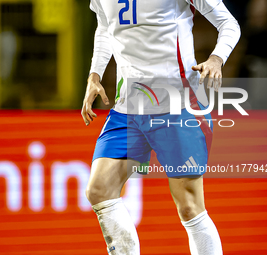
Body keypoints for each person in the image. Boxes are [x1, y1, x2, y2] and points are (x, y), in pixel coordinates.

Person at [81, 0, 240, 254]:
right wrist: (94, 75)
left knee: (189, 206)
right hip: (128, 108)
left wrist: (215, 59)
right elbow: (104, 27)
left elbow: (228, 23)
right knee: (99, 190)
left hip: (178, 105)